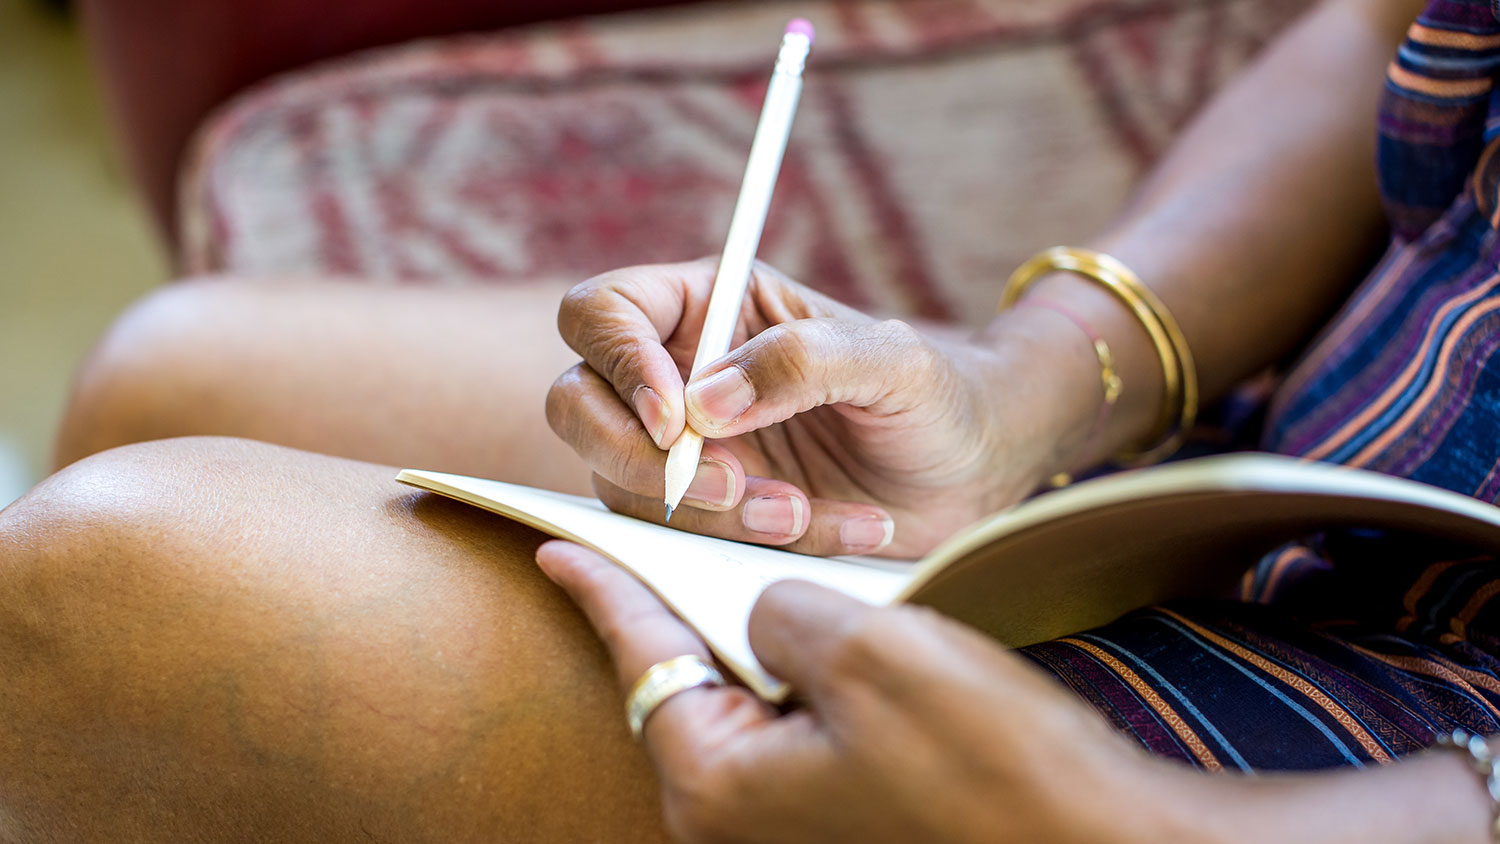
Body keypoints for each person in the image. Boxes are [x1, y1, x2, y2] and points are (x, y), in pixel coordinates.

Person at [6, 0, 1500, 839]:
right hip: (1292, 459)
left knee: (102, 593)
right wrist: (1033, 379)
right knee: (174, 366)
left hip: (1407, 760)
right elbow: (1388, 21)